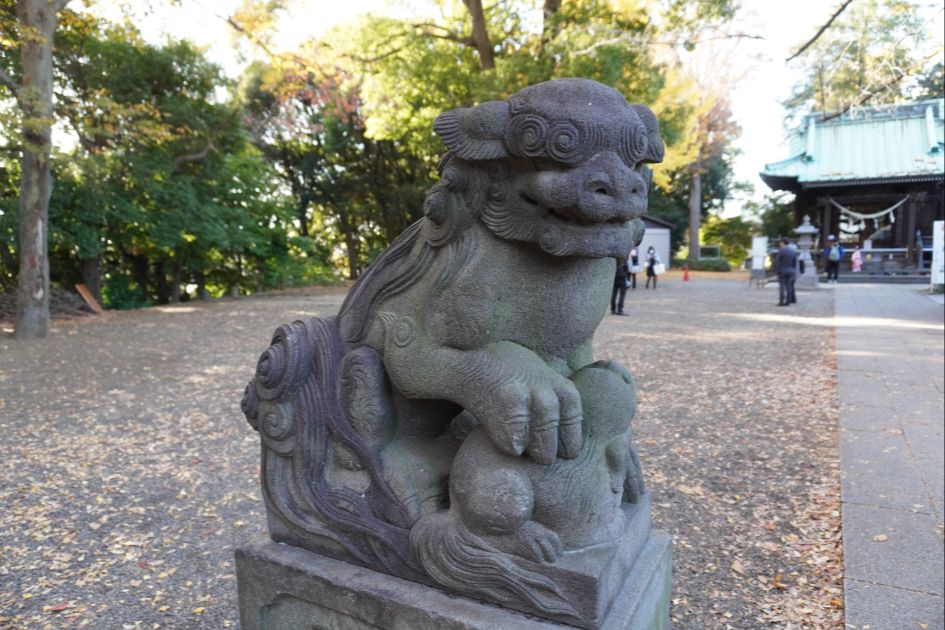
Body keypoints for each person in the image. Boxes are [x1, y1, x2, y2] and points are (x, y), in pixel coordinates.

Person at [774, 236, 798, 306]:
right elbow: (795, 262)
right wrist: (793, 269)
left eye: (780, 242)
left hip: (782, 270)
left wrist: (778, 269)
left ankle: (781, 301)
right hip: (791, 270)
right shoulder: (793, 251)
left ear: (782, 243)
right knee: (789, 286)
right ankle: (788, 301)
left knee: (782, 286)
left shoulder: (781, 251)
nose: (780, 244)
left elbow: (776, 261)